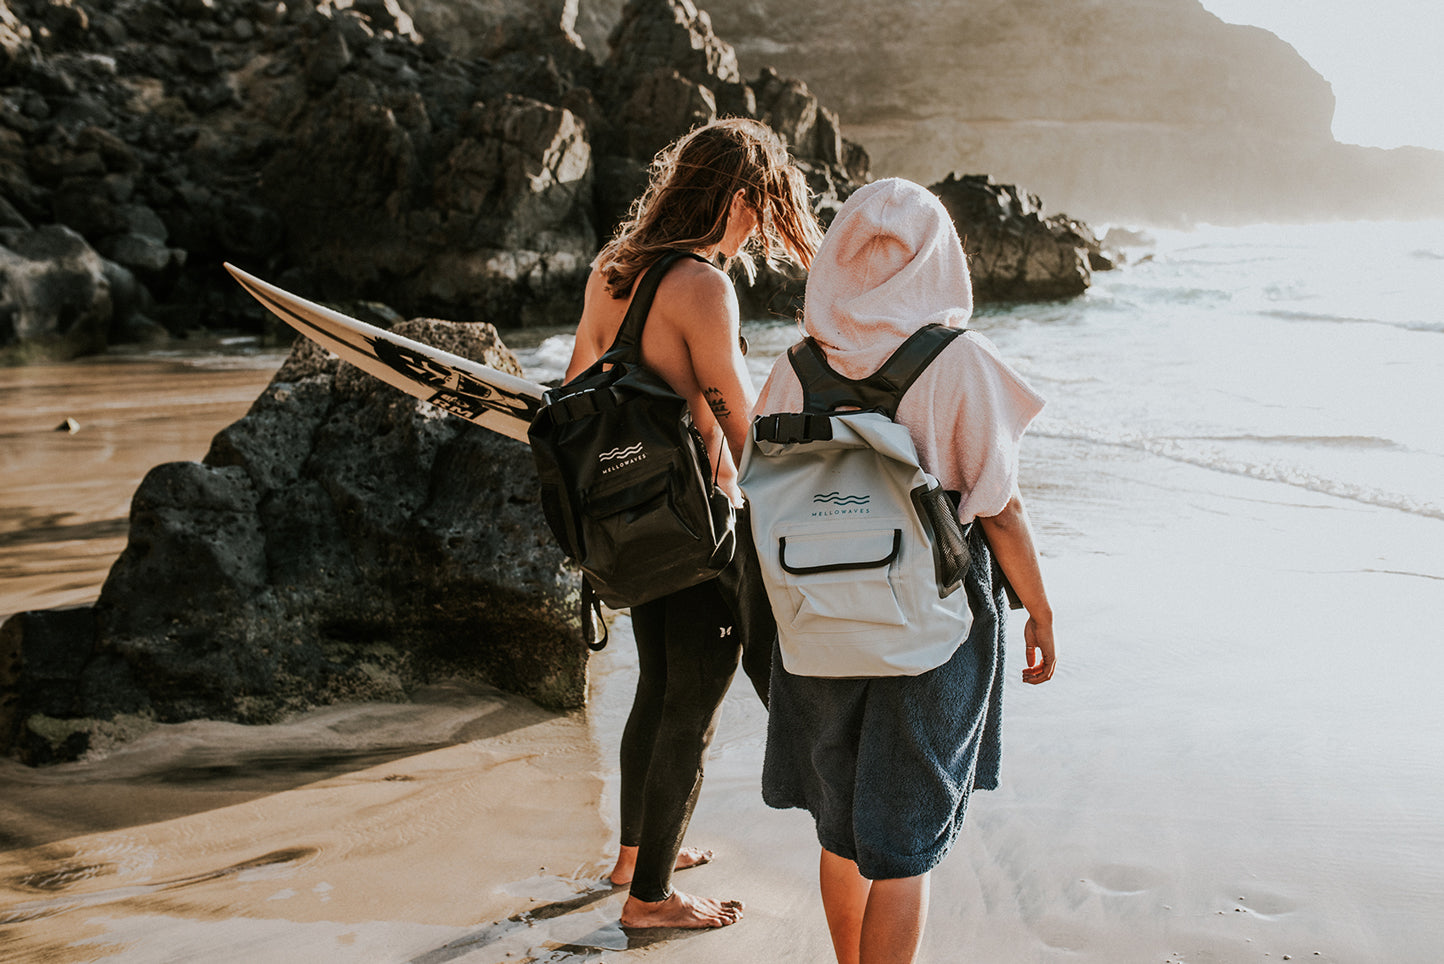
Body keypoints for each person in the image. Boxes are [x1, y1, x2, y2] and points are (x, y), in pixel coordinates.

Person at [751, 177, 1057, 964]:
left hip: (817, 619)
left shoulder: (795, 367)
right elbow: (1001, 509)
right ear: (939, 258)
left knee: (841, 823)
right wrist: (1041, 611)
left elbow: (763, 491)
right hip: (930, 622)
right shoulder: (959, 361)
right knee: (905, 837)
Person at [563, 117, 824, 929]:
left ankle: (636, 856)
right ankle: (651, 902)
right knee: (695, 703)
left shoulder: (615, 270)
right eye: (760, 210)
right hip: (694, 526)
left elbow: (574, 387)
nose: (757, 231)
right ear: (739, 199)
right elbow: (742, 433)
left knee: (657, 684)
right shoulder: (704, 286)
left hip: (625, 522)